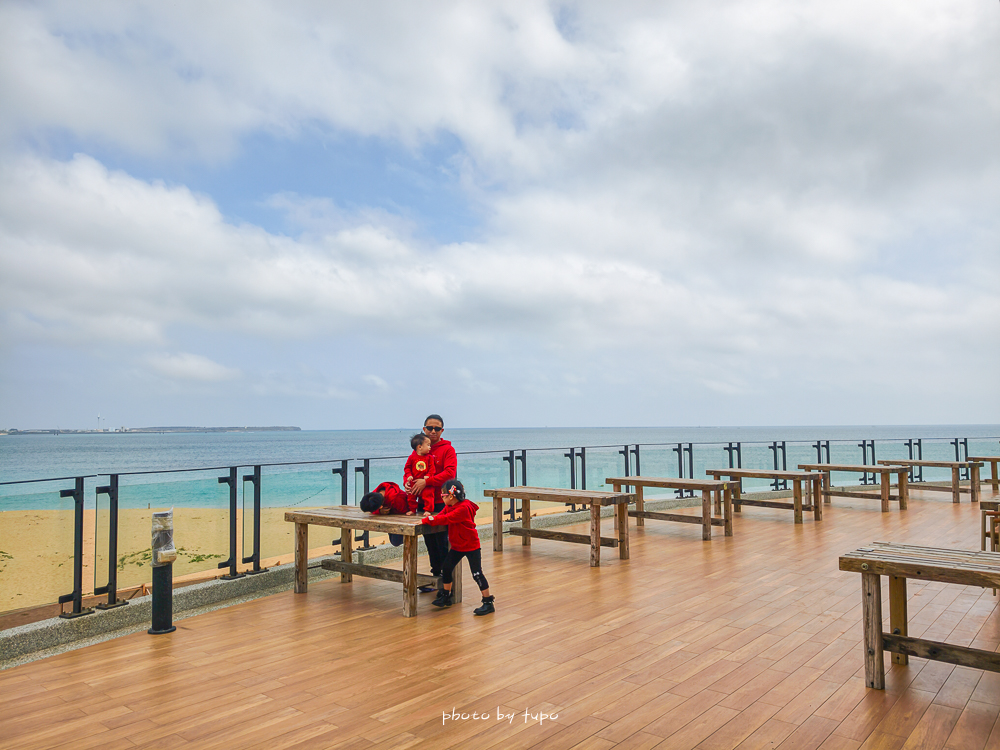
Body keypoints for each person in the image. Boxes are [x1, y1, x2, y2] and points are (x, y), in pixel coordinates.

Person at [422, 479, 495, 615]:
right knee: (447, 568)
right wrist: (430, 516)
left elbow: (446, 519)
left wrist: (427, 520)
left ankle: (488, 602)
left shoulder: (463, 508)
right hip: (457, 546)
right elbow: (442, 515)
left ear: (451, 496)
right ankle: (446, 595)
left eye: (442, 495)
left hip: (471, 545)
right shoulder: (450, 506)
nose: (441, 498)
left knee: (477, 574)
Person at [406, 414, 457, 592]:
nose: (433, 431)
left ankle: (446, 581)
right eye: (429, 428)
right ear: (424, 429)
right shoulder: (418, 451)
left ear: (442, 431)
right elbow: (409, 470)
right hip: (424, 503)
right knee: (430, 541)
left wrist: (427, 482)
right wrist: (409, 482)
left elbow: (450, 473)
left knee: (442, 542)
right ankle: (435, 577)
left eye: (437, 428)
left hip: (443, 503)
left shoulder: (448, 450)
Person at [359, 481, 412, 546]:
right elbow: (372, 510)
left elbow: (405, 511)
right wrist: (379, 511)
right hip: (391, 517)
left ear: (381, 506)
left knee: (395, 542)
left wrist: (388, 511)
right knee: (393, 541)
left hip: (404, 516)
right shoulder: (375, 495)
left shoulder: (397, 499)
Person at [404, 433, 437, 515]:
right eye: (428, 445)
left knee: (428, 495)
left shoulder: (429, 457)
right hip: (414, 481)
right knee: (411, 496)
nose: (430, 447)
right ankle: (412, 509)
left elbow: (432, 469)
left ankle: (428, 510)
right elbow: (407, 467)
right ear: (419, 447)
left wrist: (428, 476)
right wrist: (409, 475)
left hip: (426, 482)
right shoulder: (412, 457)